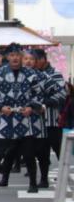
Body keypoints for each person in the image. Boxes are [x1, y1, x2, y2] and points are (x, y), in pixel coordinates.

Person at [0, 44, 45, 192]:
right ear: (7, 57)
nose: (15, 58)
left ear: (21, 56)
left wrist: (31, 107)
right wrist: (0, 107)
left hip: (24, 117)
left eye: (17, 55)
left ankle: (32, 183)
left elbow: (38, 93)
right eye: (12, 55)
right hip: (6, 118)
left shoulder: (31, 74)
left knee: (29, 154)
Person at [31, 48, 68, 189]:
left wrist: (42, 101)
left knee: (58, 149)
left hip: (53, 120)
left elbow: (61, 96)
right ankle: (44, 178)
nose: (33, 63)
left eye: (34, 60)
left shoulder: (55, 74)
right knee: (41, 151)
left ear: (42, 60)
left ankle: (63, 175)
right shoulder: (33, 75)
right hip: (38, 121)